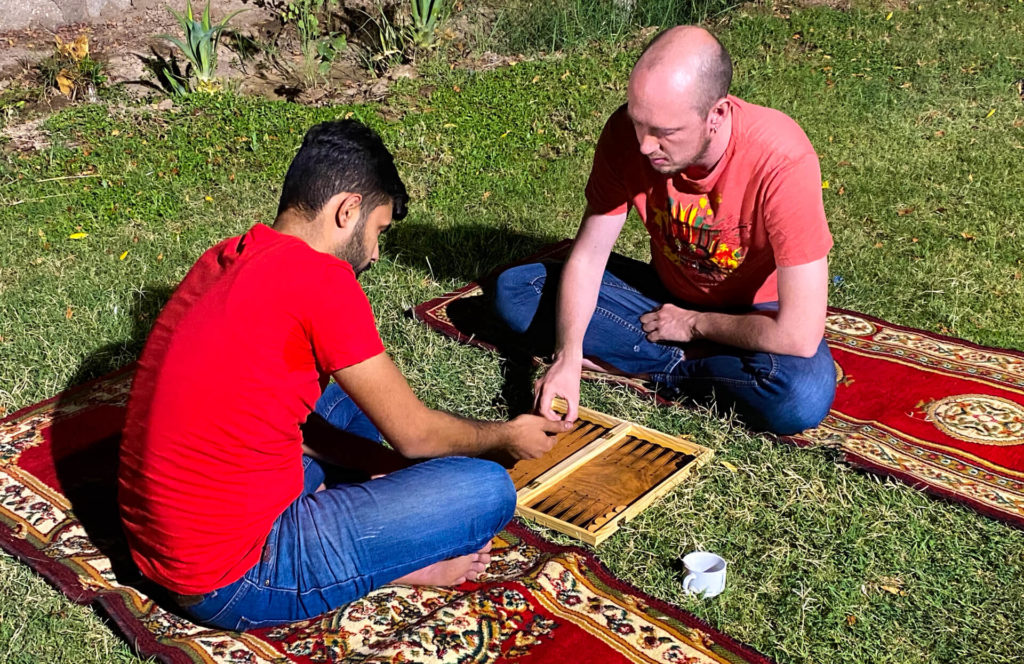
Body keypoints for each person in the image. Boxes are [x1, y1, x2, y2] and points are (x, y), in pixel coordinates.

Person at [118, 120, 571, 631]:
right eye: (377, 231)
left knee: (352, 403)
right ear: (347, 209)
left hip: (158, 545)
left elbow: (292, 414)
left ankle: (350, 507)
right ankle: (394, 566)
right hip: (231, 579)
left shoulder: (229, 255)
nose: (375, 253)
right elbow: (415, 435)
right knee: (486, 490)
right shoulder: (323, 280)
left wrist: (383, 464)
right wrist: (505, 436)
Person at [493, 26, 836, 435]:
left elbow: (798, 334)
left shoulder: (782, 160)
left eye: (665, 133)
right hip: (664, 296)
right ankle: (701, 368)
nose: (644, 145)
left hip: (756, 314)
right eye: (639, 123)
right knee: (515, 291)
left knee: (799, 395)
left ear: (717, 115)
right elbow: (588, 257)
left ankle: (660, 361)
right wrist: (567, 356)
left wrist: (694, 324)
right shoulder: (625, 135)